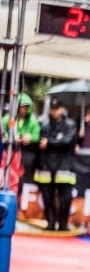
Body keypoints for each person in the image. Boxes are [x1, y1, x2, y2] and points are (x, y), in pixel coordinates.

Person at [37, 98, 77, 231]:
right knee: (47, 197)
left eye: (57, 108)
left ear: (62, 109)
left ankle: (63, 224)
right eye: (52, 108)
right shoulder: (43, 123)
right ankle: (50, 222)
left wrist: (49, 143)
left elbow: (67, 141)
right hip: (46, 165)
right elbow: (40, 141)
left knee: (65, 198)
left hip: (64, 166)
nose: (54, 111)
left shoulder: (70, 125)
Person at [2, 93, 40, 192]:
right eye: (22, 107)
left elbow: (36, 136)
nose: (24, 109)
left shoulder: (33, 120)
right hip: (10, 152)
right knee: (8, 175)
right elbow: (3, 131)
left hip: (26, 153)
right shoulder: (8, 118)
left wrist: (30, 137)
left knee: (22, 177)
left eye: (26, 107)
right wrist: (10, 137)